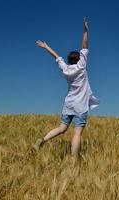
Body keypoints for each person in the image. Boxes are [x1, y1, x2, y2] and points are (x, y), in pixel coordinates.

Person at [33, 17, 99, 158]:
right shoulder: (81, 66)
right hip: (81, 105)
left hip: (68, 104)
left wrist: (46, 47)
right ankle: (74, 161)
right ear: (79, 59)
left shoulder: (66, 70)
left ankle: (43, 139)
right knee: (77, 133)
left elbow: (57, 57)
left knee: (62, 128)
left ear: (69, 61)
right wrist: (85, 30)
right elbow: (84, 47)